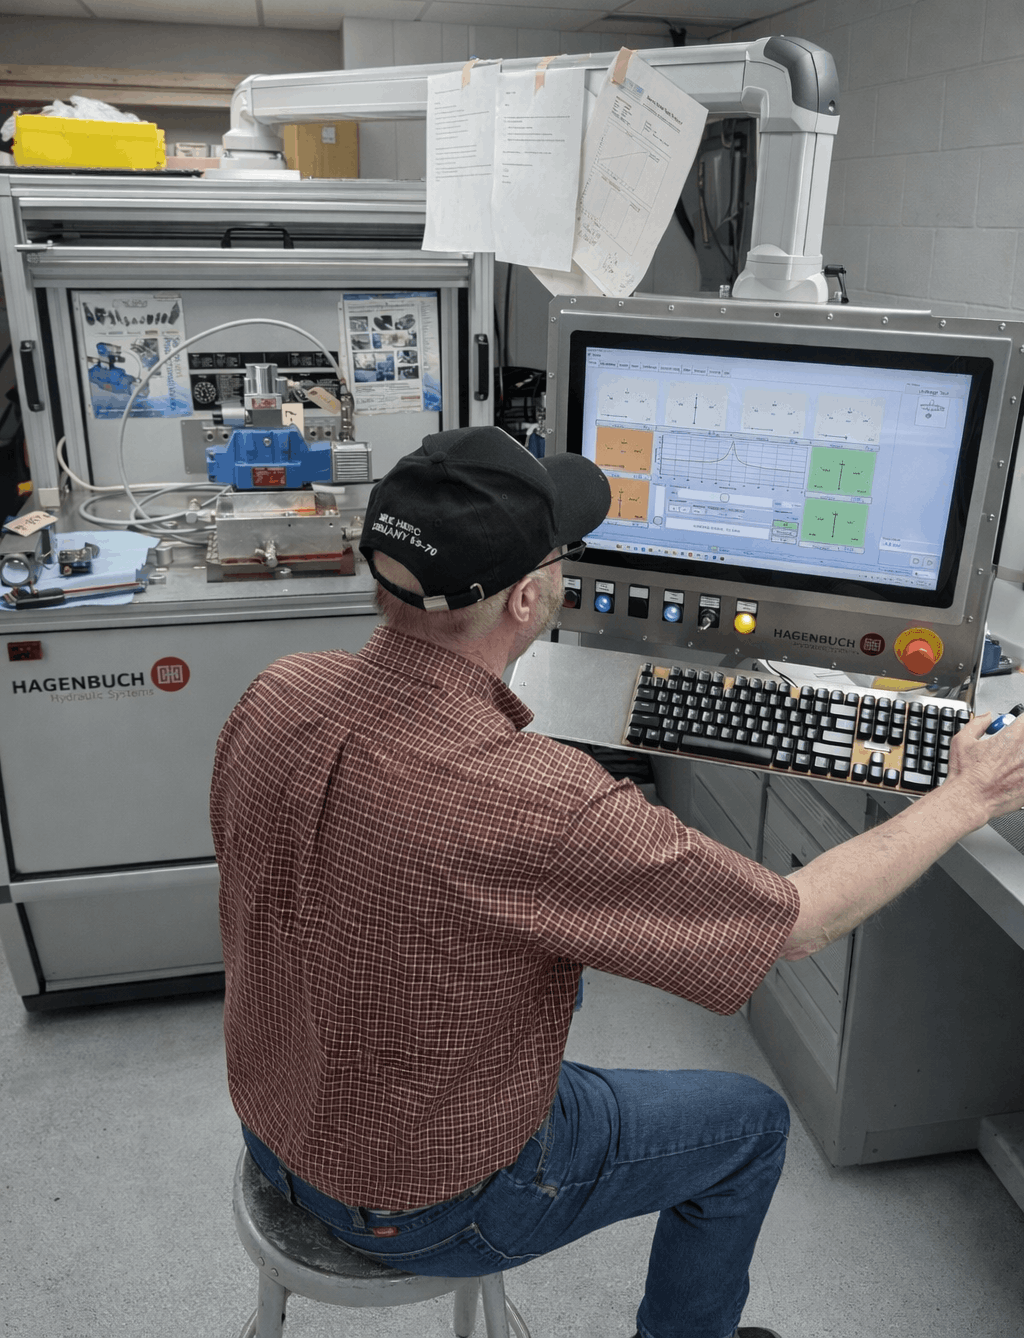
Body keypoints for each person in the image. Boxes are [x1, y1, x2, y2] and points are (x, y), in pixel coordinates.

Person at [211, 426, 1024, 1338]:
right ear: (529, 597)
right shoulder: (542, 800)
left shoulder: (277, 692)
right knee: (749, 1126)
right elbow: (798, 923)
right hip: (430, 1200)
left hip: (273, 1124)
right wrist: (971, 795)